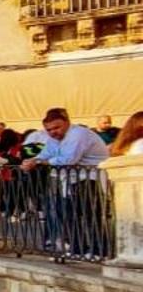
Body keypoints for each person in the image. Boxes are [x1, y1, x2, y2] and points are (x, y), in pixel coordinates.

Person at [34, 107, 110, 257]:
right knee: (70, 216)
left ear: (67, 123)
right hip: (69, 180)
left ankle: (98, 250)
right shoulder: (54, 138)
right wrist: (34, 160)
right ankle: (77, 249)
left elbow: (69, 159)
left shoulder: (78, 134)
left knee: (90, 216)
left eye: (57, 127)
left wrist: (42, 163)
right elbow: (45, 154)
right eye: (49, 130)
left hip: (89, 179)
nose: (53, 132)